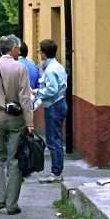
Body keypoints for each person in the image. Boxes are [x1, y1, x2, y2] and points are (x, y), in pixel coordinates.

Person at [0, 35, 34, 215]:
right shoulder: (21, 68)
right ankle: (11, 204)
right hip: (16, 120)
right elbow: (25, 98)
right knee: (14, 159)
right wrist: (30, 122)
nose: (19, 50)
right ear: (12, 49)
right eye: (18, 48)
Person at [34, 39, 68, 183]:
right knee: (56, 138)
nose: (39, 54)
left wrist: (38, 93)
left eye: (40, 51)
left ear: (44, 53)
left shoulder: (50, 70)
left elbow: (52, 89)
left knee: (53, 140)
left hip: (54, 105)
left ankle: (56, 173)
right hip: (59, 103)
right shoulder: (57, 66)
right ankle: (57, 171)